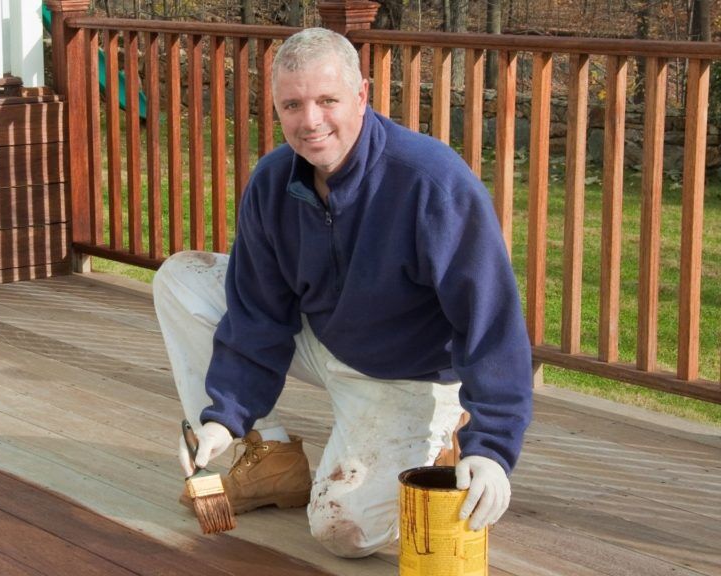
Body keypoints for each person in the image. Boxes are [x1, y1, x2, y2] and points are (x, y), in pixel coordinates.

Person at [153, 27, 532, 558]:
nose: (310, 121)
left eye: (327, 100)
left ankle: (445, 436)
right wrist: (222, 416)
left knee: (344, 533)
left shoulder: (431, 183)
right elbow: (257, 311)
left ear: (362, 95)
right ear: (277, 107)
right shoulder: (272, 182)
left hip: (408, 375)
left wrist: (492, 448)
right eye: (293, 104)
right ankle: (269, 456)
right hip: (325, 335)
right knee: (181, 277)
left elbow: (490, 324)